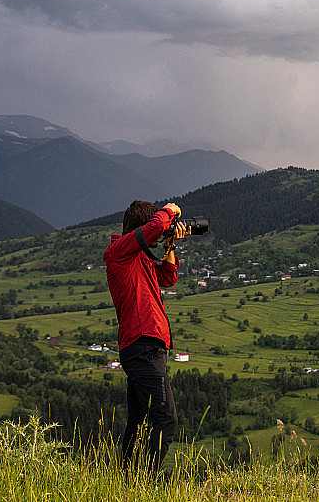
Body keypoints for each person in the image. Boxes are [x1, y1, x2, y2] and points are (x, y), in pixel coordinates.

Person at [103, 200, 189, 475]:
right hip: (143, 346)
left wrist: (170, 246)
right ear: (142, 227)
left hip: (145, 347)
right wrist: (170, 211)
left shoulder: (138, 257)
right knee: (165, 420)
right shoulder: (119, 251)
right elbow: (157, 224)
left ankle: (126, 479)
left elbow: (167, 277)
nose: (157, 236)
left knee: (139, 422)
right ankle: (145, 482)